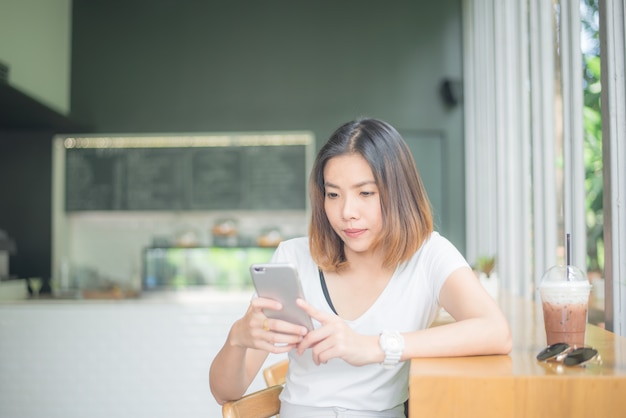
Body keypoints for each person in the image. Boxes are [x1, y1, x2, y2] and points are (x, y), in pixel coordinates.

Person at [209, 118, 512, 417]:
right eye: (333, 194)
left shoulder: (429, 255)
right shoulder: (293, 258)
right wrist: (236, 338)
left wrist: (375, 347)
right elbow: (225, 393)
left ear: (399, 193)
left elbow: (496, 331)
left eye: (365, 193)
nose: (346, 212)